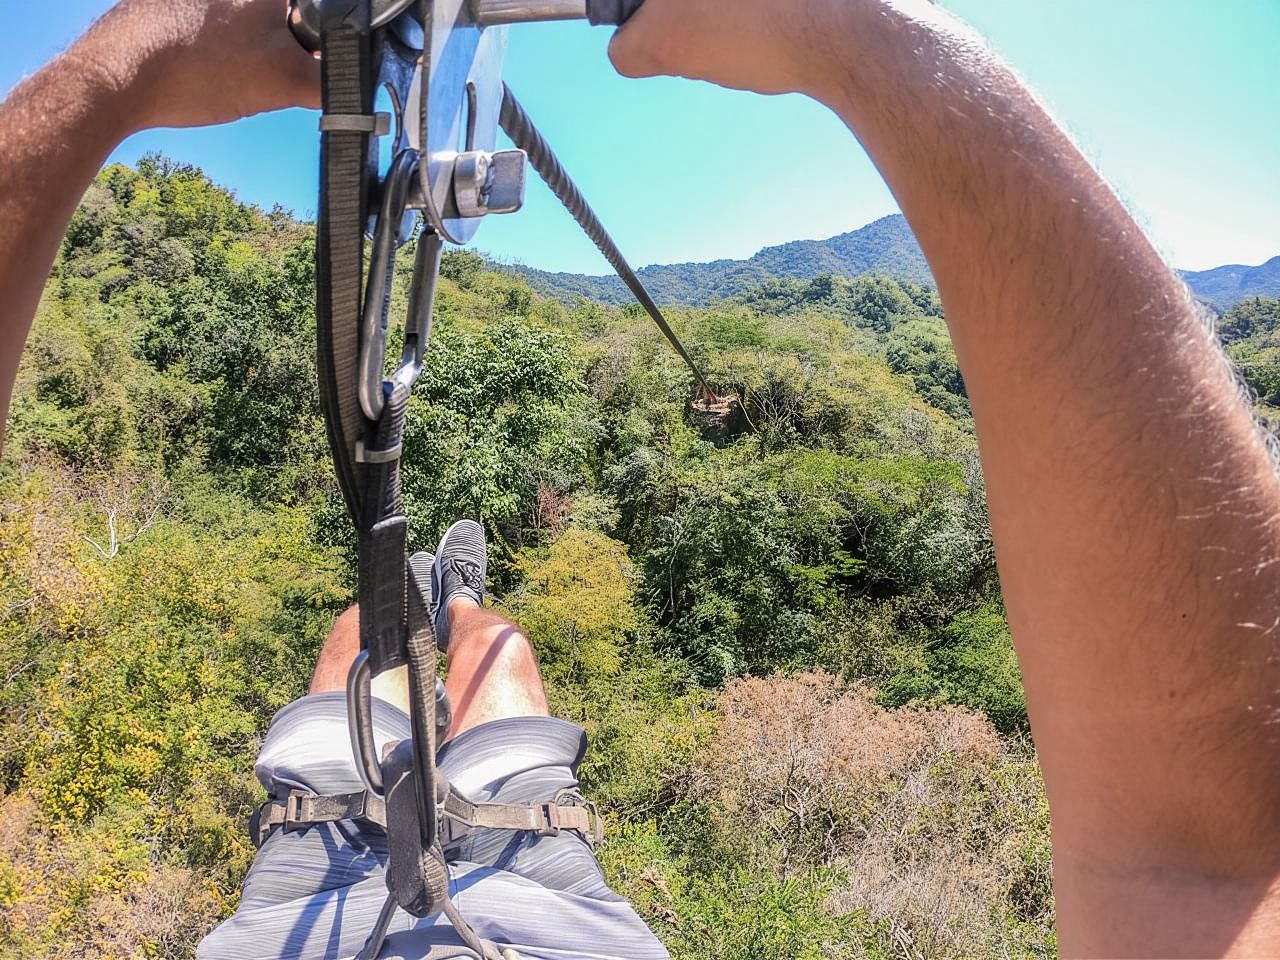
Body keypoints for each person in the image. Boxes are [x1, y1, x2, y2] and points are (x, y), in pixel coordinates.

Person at [1, 0, 1277, 957]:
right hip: (521, 886)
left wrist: (114, 73)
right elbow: (1205, 871)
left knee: (358, 640)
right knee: (493, 652)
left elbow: (1203, 869)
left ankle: (429, 601)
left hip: (301, 898)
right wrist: (860, 35)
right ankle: (459, 602)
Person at [197, 518, 668, 958]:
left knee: (360, 633)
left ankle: (404, 613)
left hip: (300, 920)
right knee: (501, 646)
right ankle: (459, 606)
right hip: (553, 918)